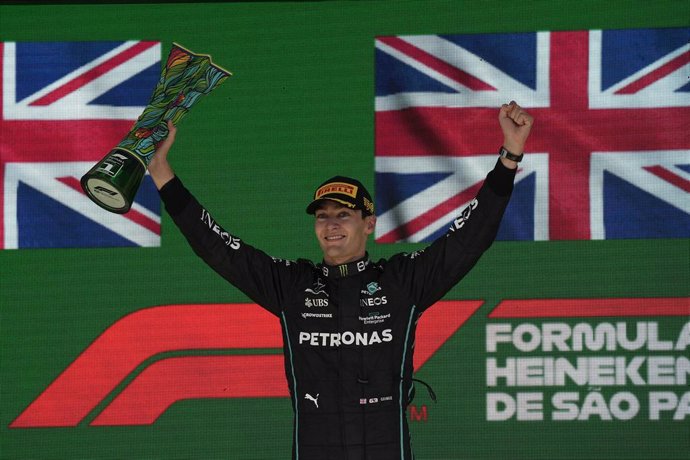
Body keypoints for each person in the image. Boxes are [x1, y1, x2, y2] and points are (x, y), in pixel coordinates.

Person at [148, 101, 533, 460]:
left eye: (343, 214)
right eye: (322, 216)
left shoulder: (402, 282)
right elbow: (217, 248)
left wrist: (510, 156)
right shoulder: (292, 286)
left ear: (368, 224)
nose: (331, 224)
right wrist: (162, 173)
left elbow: (471, 237)